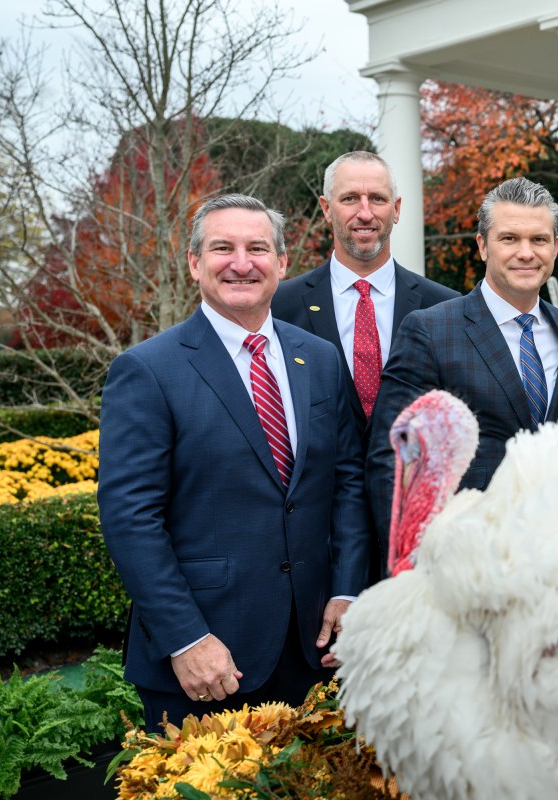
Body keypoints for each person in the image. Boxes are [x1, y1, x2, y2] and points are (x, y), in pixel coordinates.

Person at [98, 194, 370, 731]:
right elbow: (131, 518)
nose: (242, 263)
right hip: (206, 662)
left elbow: (346, 483)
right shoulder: (147, 370)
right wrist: (186, 638)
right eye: (223, 248)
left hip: (313, 652)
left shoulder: (318, 358)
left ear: (282, 263)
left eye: (258, 249)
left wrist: (345, 590)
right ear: (196, 262)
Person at [366, 177, 558, 578]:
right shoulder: (430, 330)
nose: (526, 253)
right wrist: (415, 564)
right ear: (483, 245)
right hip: (461, 568)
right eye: (509, 239)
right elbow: (392, 457)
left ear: (555, 245)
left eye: (539, 239)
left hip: (556, 562)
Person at [272, 151, 459, 444]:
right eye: (349, 199)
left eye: (377, 199)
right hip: (321, 488)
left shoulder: (445, 308)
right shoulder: (280, 305)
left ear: (396, 209)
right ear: (326, 209)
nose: (365, 213)